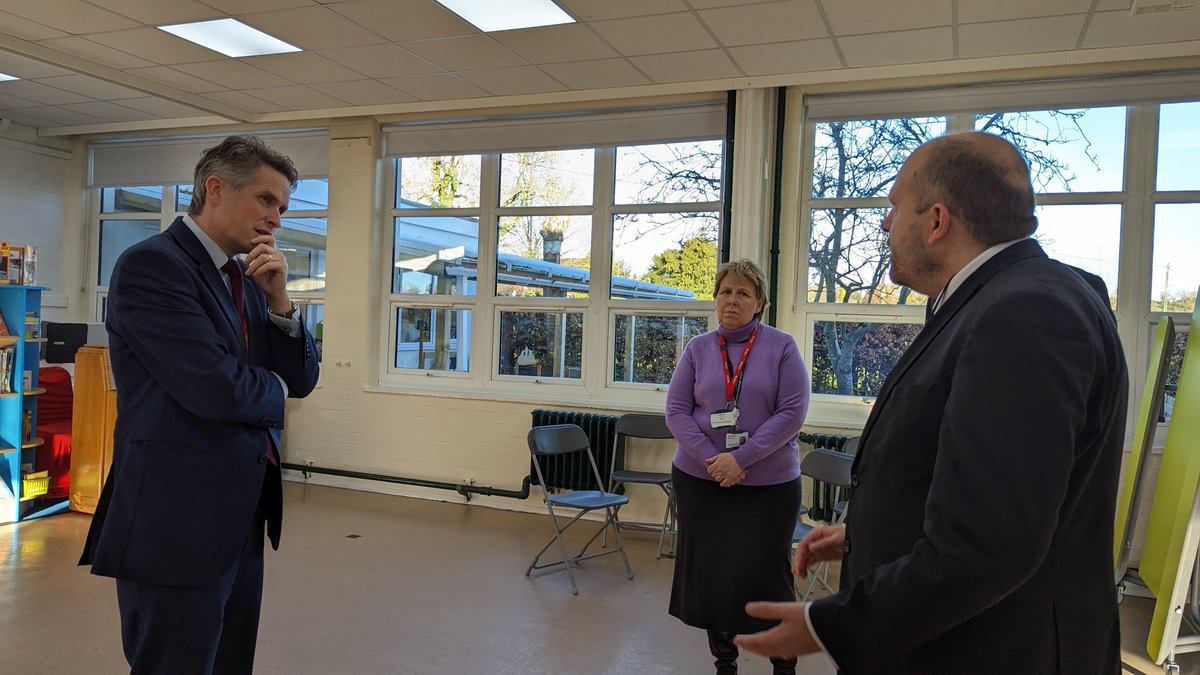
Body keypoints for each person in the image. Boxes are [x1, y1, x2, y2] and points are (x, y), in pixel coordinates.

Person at [736, 132, 1128, 673]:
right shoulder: (1008, 296)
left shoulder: (1022, 313)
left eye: (894, 208)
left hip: (994, 650)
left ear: (937, 220)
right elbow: (990, 488)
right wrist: (873, 535)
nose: (885, 225)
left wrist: (831, 624)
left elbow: (990, 544)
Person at [79, 135, 321, 673]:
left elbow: (302, 379)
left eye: (282, 208)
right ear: (216, 189)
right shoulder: (153, 266)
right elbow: (214, 387)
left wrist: (280, 302)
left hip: (240, 514)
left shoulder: (249, 277)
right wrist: (274, 389)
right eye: (266, 199)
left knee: (230, 662)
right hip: (175, 520)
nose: (276, 218)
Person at [665, 259, 811, 675]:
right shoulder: (697, 349)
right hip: (702, 482)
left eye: (743, 293)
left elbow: (792, 413)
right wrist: (713, 461)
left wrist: (740, 459)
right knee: (713, 577)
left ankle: (784, 665)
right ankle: (724, 663)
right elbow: (676, 411)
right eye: (725, 292)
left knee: (769, 577)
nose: (732, 300)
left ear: (760, 303)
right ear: (715, 299)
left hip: (768, 488)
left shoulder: (782, 347)